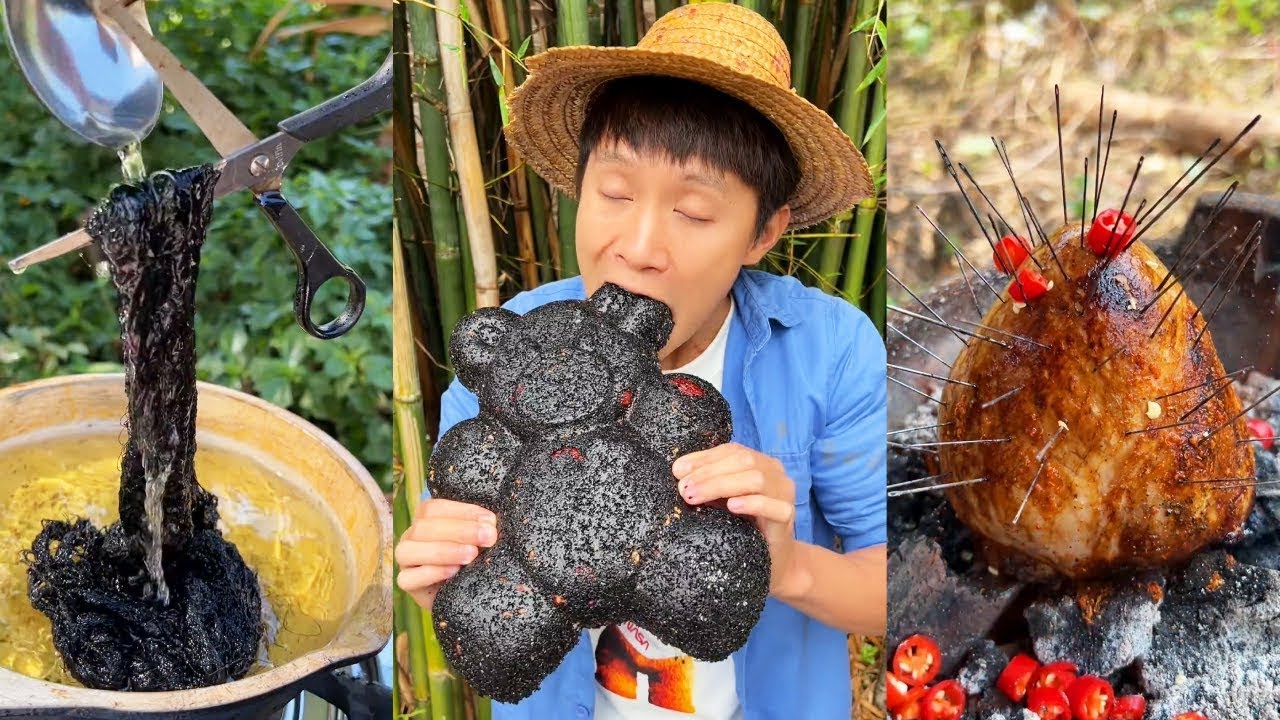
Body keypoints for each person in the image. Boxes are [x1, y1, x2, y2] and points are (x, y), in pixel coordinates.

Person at [395, 4, 886, 718]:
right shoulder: (510, 369)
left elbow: (891, 590)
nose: (640, 246)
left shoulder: (829, 351)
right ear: (579, 190)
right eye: (615, 194)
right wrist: (453, 591)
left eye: (693, 212)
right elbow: (485, 628)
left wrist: (789, 567)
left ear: (763, 233)